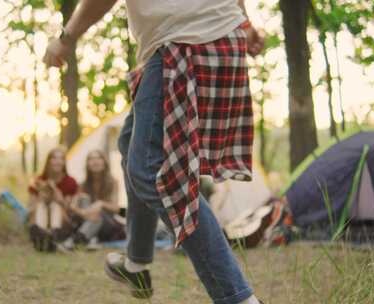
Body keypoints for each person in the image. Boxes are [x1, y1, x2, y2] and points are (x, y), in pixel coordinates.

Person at [42, 1, 264, 303]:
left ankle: (238, 298)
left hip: (184, 41)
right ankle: (136, 262)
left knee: (155, 171)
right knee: (131, 141)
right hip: (217, 35)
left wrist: (66, 37)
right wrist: (246, 24)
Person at [61, 150, 125, 249]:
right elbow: (73, 206)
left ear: (104, 162)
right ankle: (91, 238)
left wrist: (101, 204)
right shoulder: (82, 185)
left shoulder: (113, 182)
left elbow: (116, 209)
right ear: (87, 164)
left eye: (99, 158)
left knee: (98, 213)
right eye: (91, 159)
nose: (95, 161)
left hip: (106, 223)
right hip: (86, 219)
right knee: (84, 199)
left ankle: (75, 240)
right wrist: (84, 213)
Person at [27, 146, 79, 252]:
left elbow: (68, 209)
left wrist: (55, 191)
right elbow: (30, 209)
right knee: (42, 205)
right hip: (40, 216)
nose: (57, 161)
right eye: (54, 158)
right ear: (48, 161)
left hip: (62, 220)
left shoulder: (70, 182)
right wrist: (41, 198)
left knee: (55, 206)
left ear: (64, 162)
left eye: (61, 159)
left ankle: (52, 235)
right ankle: (43, 233)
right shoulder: (38, 181)